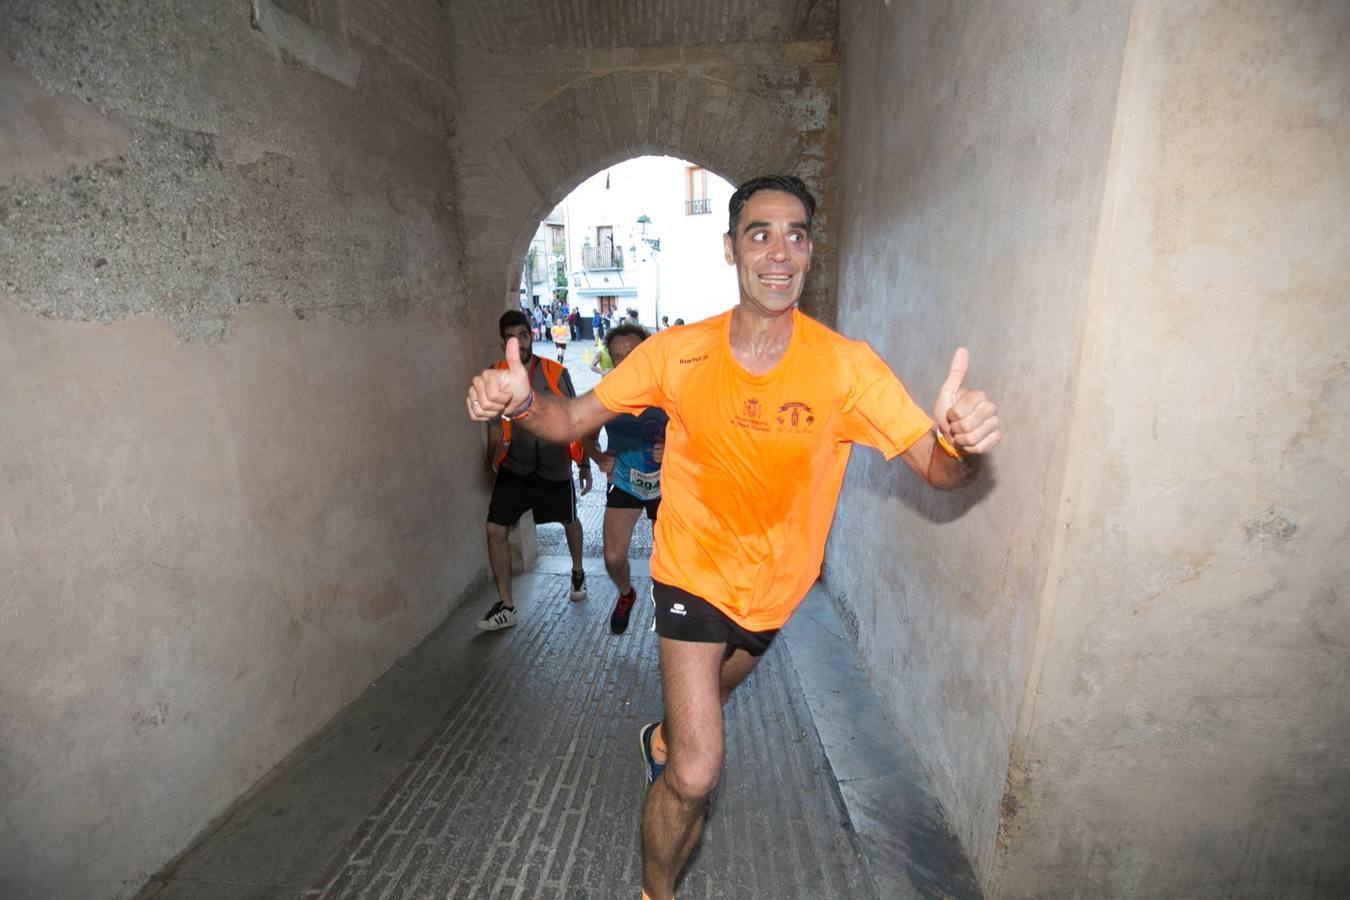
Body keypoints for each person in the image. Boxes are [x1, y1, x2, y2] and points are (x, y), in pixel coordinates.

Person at [466, 175, 1002, 900]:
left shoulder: (847, 369)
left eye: (796, 235)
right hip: (690, 575)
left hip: (772, 599)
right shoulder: (677, 354)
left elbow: (939, 471)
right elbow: (569, 420)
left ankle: (661, 738)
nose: (779, 252)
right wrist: (523, 399)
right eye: (760, 233)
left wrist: (963, 444)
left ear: (810, 252)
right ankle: (656, 892)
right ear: (731, 248)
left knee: (695, 720)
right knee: (695, 770)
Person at [477, 310, 592, 632]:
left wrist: (583, 464)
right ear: (504, 342)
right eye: (512, 337)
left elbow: (576, 418)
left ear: (531, 336)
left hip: (554, 467)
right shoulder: (495, 374)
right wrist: (489, 463)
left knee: (569, 521)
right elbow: (493, 427)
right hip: (515, 465)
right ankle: (507, 605)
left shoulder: (554, 372)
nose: (520, 342)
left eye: (524, 335)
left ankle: (578, 572)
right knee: (494, 529)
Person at [582, 324, 667, 635]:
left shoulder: (669, 391)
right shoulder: (607, 395)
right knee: (613, 557)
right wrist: (597, 457)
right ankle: (626, 594)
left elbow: (701, 437)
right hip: (624, 481)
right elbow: (586, 436)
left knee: (669, 559)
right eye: (618, 356)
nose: (625, 362)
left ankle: (666, 600)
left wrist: (671, 448)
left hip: (667, 484)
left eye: (632, 355)